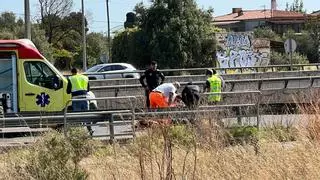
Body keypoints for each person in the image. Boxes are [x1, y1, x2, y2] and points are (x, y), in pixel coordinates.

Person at [67, 68, 93, 135]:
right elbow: (88, 89)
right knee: (86, 115)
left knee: (78, 116)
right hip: (85, 99)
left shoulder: (71, 78)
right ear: (78, 72)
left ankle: (80, 133)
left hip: (76, 99)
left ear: (72, 72)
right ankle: (90, 130)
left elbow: (68, 91)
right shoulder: (85, 77)